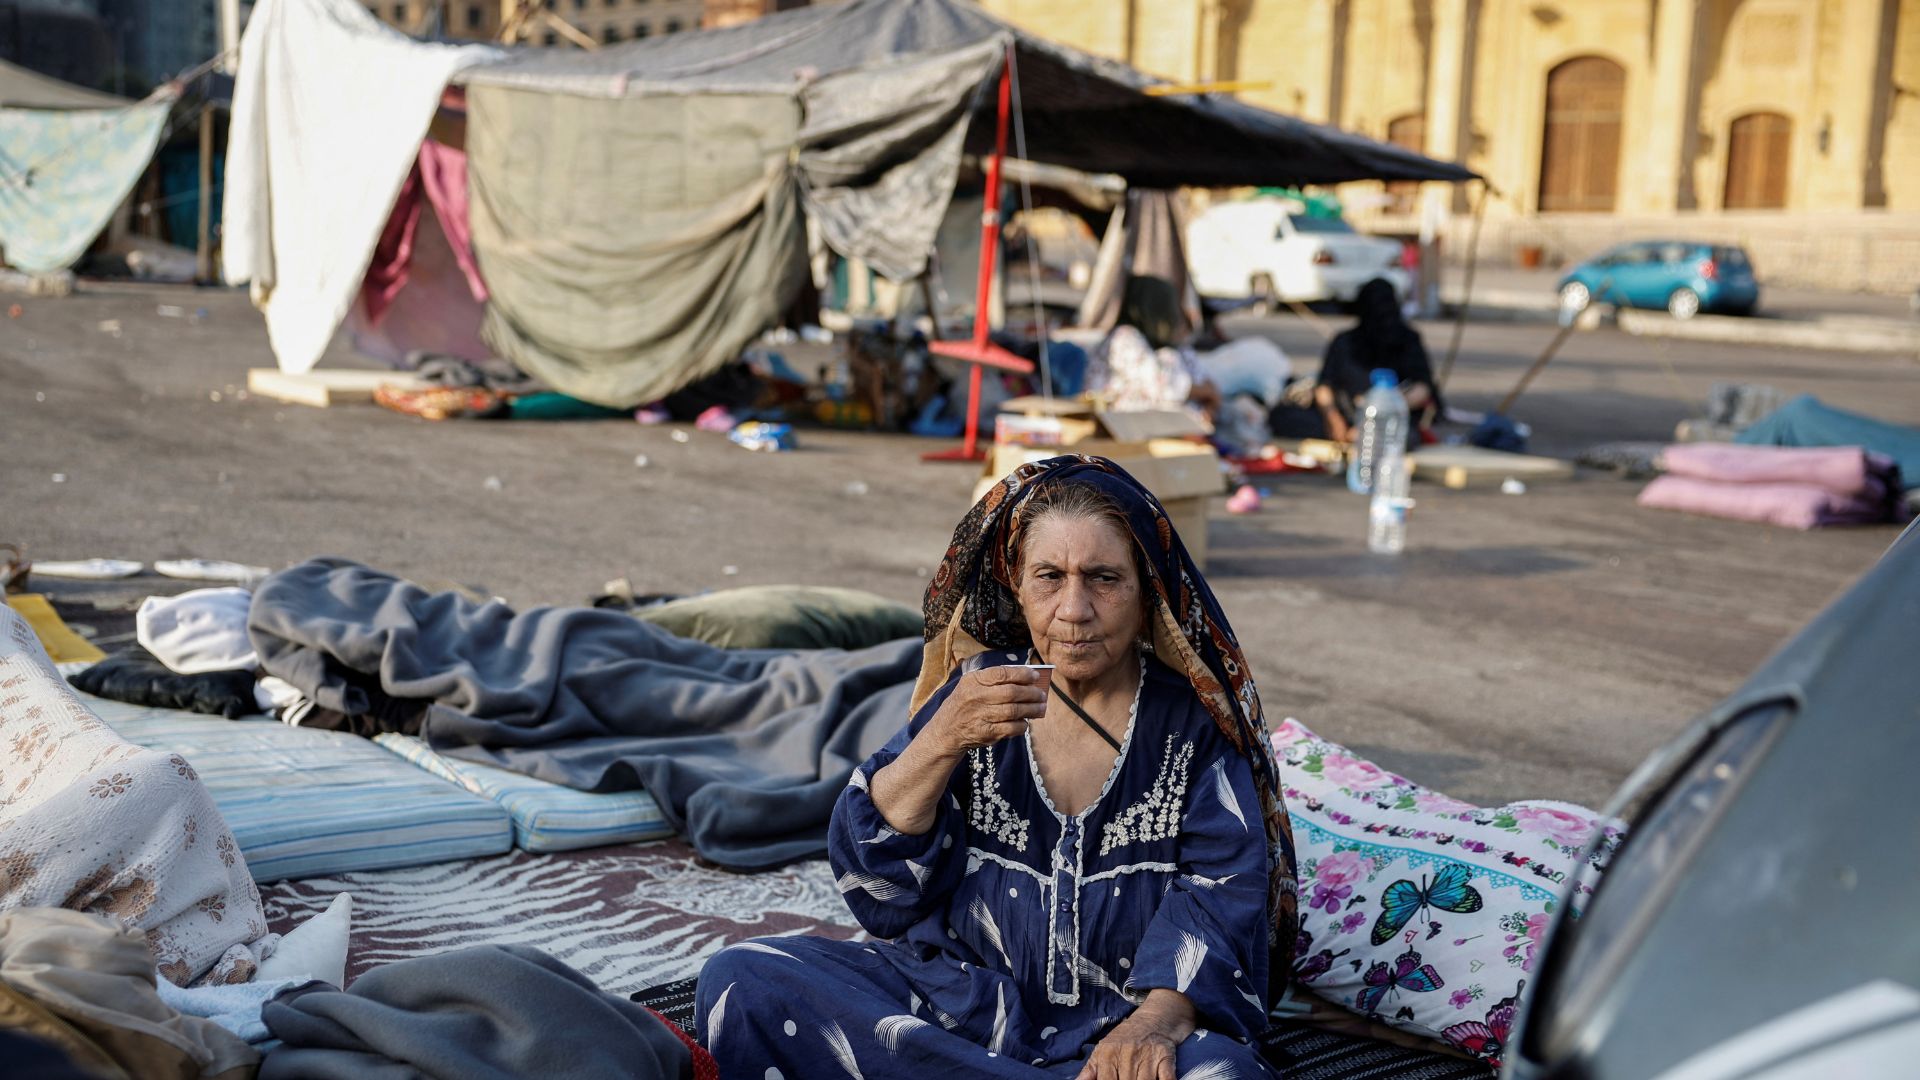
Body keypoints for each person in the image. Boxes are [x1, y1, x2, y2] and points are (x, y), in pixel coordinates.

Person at [698, 456, 1298, 1080]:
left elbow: (1223, 896)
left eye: (1103, 578)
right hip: (959, 1009)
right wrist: (942, 739)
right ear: (1015, 581)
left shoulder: (1193, 726)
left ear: (1146, 589)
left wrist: (1155, 1023)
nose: (1074, 608)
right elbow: (880, 892)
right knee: (741, 981)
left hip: (1118, 1030)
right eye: (1049, 576)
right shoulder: (977, 691)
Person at [1279, 277, 1440, 445]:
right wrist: (1332, 418)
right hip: (1345, 415)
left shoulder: (1407, 341)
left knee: (1404, 436)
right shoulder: (1345, 341)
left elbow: (1422, 388)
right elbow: (1324, 386)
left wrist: (1380, 415)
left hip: (1388, 421)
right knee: (1285, 417)